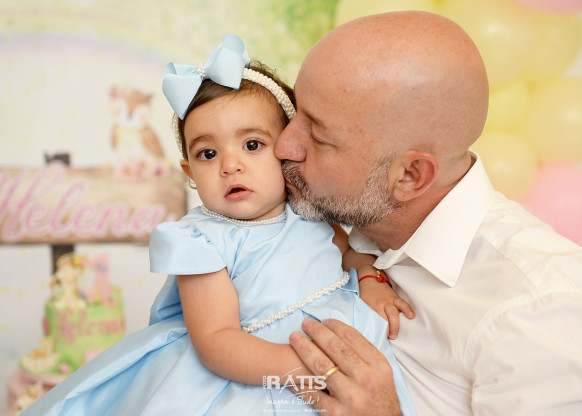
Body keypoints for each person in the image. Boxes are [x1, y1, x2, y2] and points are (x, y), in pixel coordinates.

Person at [22, 34, 416, 416]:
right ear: (189, 173)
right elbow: (217, 342)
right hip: (262, 375)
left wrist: (370, 280)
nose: (230, 165)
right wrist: (306, 369)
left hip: (348, 355)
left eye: (252, 145)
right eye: (208, 154)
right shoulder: (203, 241)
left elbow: (350, 254)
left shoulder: (309, 209)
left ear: (287, 150)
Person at [275, 10, 582, 416]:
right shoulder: (318, 220)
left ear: (409, 176)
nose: (282, 145)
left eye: (317, 135)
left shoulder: (536, 312)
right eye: (294, 110)